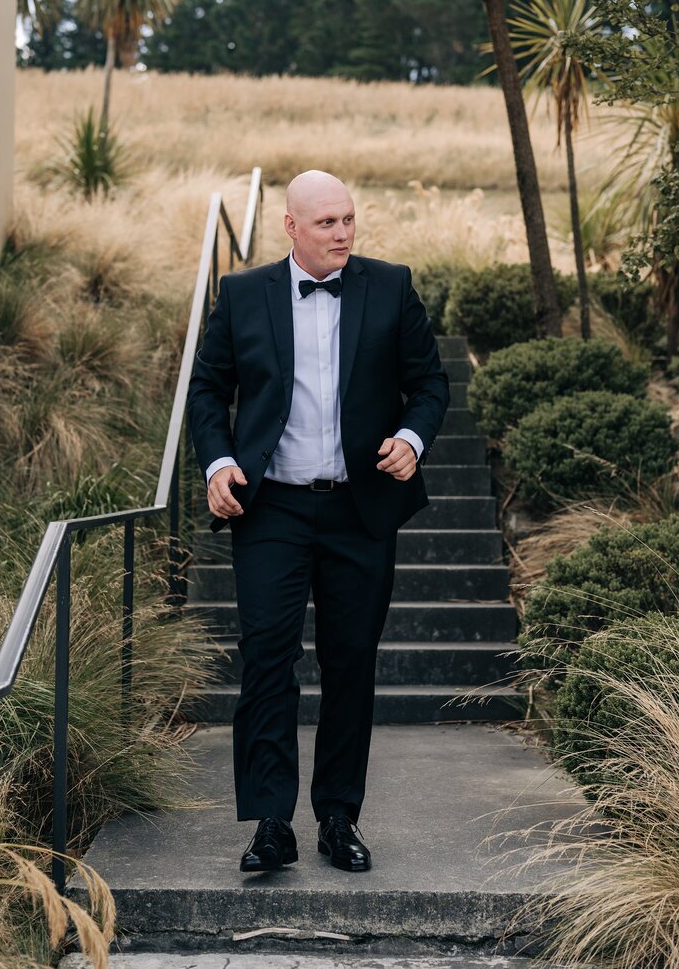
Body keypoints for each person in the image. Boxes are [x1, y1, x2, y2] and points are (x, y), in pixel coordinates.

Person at [189, 170, 449, 874]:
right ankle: (271, 822)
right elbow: (208, 388)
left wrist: (411, 439)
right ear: (291, 227)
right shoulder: (243, 294)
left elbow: (428, 382)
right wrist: (216, 463)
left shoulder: (390, 285)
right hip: (269, 505)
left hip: (358, 509)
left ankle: (339, 816)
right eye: (327, 222)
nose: (342, 233)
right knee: (267, 660)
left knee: (350, 662)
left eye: (349, 220)